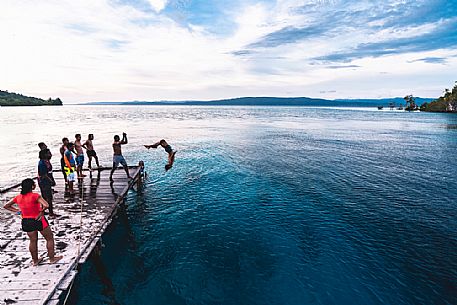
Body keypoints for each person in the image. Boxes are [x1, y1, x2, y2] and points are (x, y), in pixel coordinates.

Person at [3, 179, 63, 266]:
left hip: (26, 221)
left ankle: (35, 261)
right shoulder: (35, 196)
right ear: (32, 186)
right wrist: (41, 212)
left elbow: (6, 206)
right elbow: (46, 205)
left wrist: (18, 212)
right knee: (49, 238)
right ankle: (52, 258)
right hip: (38, 220)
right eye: (34, 184)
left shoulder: (18, 197)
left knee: (33, 241)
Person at [38, 149, 58, 217]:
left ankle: (43, 211)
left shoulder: (46, 161)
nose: (50, 154)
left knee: (45, 196)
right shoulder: (42, 163)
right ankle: (50, 213)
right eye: (49, 153)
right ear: (45, 155)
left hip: (46, 180)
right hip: (44, 181)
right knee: (48, 197)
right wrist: (51, 181)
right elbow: (44, 175)